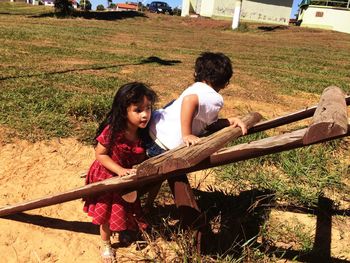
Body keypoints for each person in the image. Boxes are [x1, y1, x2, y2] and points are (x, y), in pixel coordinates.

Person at [144, 52, 248, 208]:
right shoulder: (214, 98)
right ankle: (137, 206)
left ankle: (147, 206)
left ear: (197, 73)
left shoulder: (197, 87)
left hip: (153, 132)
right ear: (226, 82)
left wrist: (228, 121)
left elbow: (208, 123)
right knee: (150, 179)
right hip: (165, 145)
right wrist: (187, 134)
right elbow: (189, 101)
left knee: (154, 178)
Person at [83, 82, 157, 263]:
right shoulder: (113, 130)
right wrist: (120, 170)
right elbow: (100, 155)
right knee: (107, 213)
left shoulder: (144, 132)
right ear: (124, 111)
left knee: (127, 207)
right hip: (108, 174)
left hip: (127, 178)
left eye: (148, 108)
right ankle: (106, 244)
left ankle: (124, 231)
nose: (145, 114)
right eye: (138, 110)